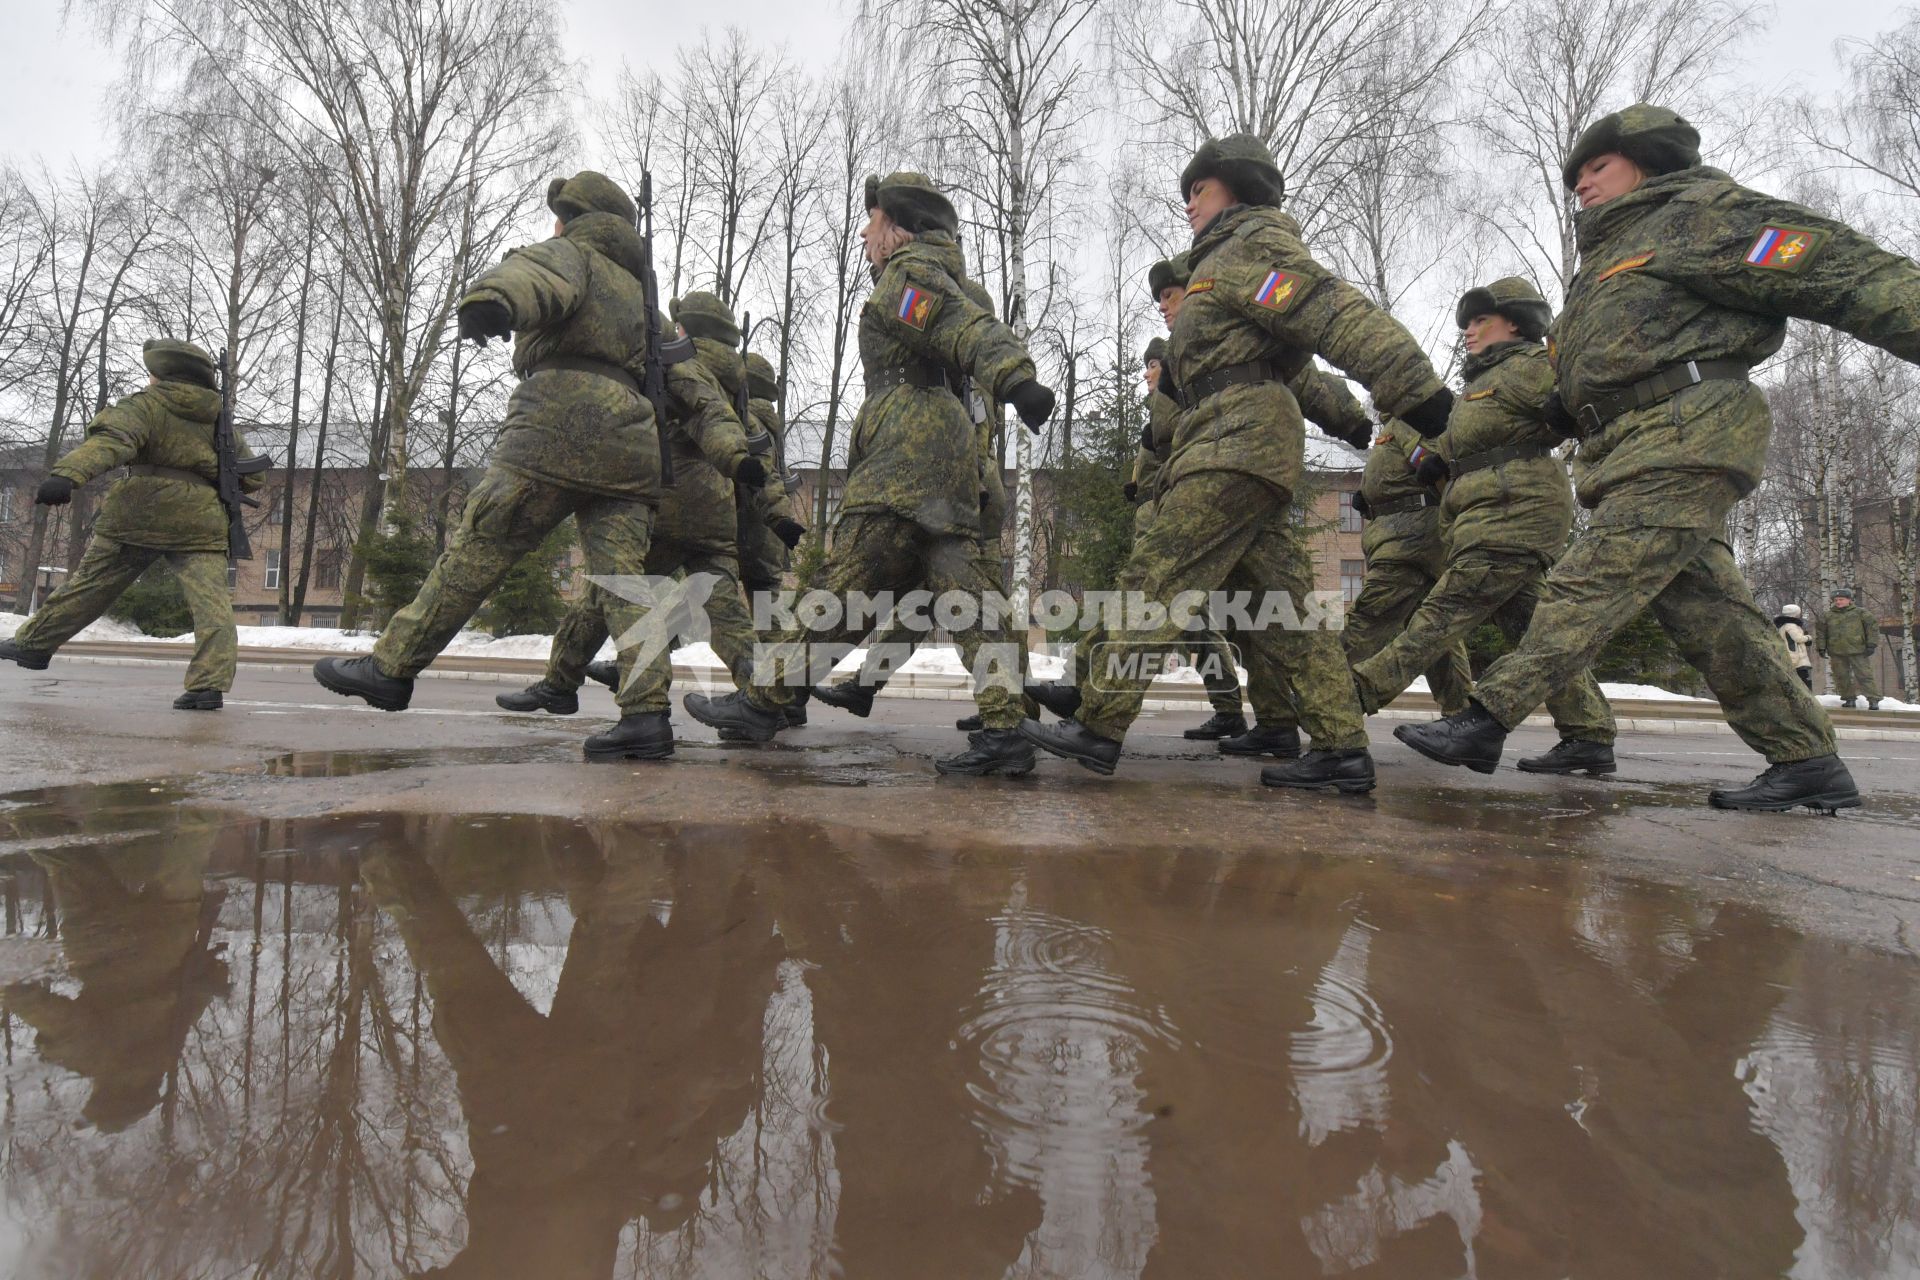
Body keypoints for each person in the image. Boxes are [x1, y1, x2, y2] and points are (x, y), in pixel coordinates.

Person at [1395, 104, 1920, 811]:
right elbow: (1582, 372)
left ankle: (1487, 719)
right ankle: (1806, 757)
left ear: (1647, 160)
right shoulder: (1604, 262)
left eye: (1597, 166)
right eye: (1574, 174)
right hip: (1626, 445)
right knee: (1711, 614)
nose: (1580, 184)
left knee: (1591, 581)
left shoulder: (1699, 215)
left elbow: (1846, 273)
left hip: (1689, 430)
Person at [1019, 134, 1454, 791]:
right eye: (1186, 193)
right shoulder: (1215, 270)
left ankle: (1099, 723)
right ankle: (1340, 748)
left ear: (1238, 186)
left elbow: (1328, 310)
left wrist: (1414, 390)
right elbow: (1285, 374)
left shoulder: (1248, 245)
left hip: (1233, 445)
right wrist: (1348, 420)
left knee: (1157, 579)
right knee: (1284, 616)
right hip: (1235, 443)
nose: (1188, 202)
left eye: (1200, 188)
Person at [312, 172, 698, 763]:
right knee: (626, 580)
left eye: (558, 219)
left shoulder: (574, 254)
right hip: (632, 444)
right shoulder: (644, 300)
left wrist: (491, 302)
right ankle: (647, 715)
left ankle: (391, 667)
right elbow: (687, 381)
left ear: (571, 219)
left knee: (482, 543)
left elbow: (534, 275)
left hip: (558, 424)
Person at [682, 171, 1056, 777]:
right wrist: (1012, 377)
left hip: (906, 456)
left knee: (846, 583)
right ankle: (1008, 727)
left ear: (898, 229)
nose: (864, 234)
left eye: (872, 221)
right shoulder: (932, 271)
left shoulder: (909, 274)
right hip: (943, 458)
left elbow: (961, 326)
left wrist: (1015, 376)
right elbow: (966, 323)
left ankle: (765, 700)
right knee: (968, 595)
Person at [1348, 277, 1618, 775]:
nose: (1468, 332)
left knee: (1441, 614)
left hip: (1515, 511)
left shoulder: (1532, 367)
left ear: (1515, 321)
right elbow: (1455, 442)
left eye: (1480, 321)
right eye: (1466, 324)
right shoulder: (1480, 385)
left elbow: (1590, 398)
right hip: (1484, 514)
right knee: (1533, 627)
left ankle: (1348, 698)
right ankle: (1588, 733)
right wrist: (1429, 460)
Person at [0, 338, 266, 709]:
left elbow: (113, 441)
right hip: (200, 520)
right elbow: (253, 478)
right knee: (212, 606)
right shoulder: (219, 420)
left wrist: (68, 475)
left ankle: (33, 645)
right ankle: (207, 687)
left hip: (140, 513)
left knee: (90, 587)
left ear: (159, 373)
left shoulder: (145, 405)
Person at [1339, 410, 1474, 724]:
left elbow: (1431, 464)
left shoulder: (1415, 415)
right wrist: (1371, 497)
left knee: (1369, 617)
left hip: (1410, 538)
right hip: (1399, 533)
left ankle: (1319, 692)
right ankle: (1461, 713)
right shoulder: (1394, 424)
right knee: (1433, 627)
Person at [1816, 588, 1880, 710]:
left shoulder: (1861, 613)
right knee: (1841, 676)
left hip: (1858, 650)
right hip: (1836, 650)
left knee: (1864, 675)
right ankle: (1849, 698)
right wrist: (1821, 647)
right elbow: (1821, 633)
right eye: (1836, 600)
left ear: (1849, 600)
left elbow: (1872, 629)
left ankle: (1873, 700)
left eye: (1841, 599)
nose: (1838, 602)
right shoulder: (1828, 616)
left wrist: (1871, 644)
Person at [1775, 602, 1814, 691]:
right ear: (1795, 613)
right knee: (1804, 679)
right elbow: (1798, 638)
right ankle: (1809, 699)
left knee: (1799, 679)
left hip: (1793, 654)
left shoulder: (1783, 625)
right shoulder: (1791, 625)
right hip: (1798, 656)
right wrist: (1808, 637)